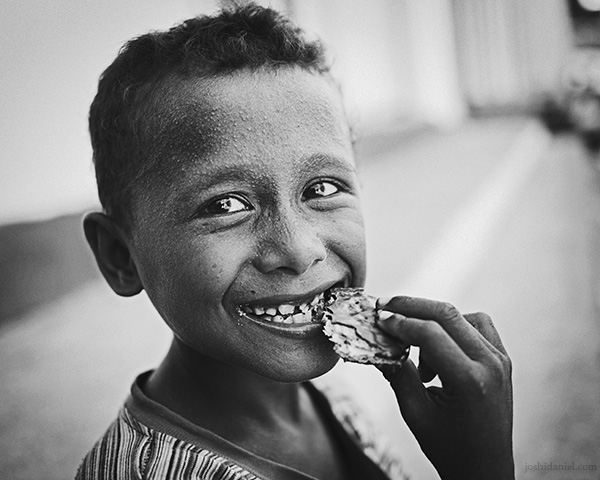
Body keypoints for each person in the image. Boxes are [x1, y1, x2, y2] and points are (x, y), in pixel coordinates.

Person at [76, 3, 514, 479]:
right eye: (226, 205)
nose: (300, 249)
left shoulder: (325, 392)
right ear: (120, 256)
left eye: (321, 189)